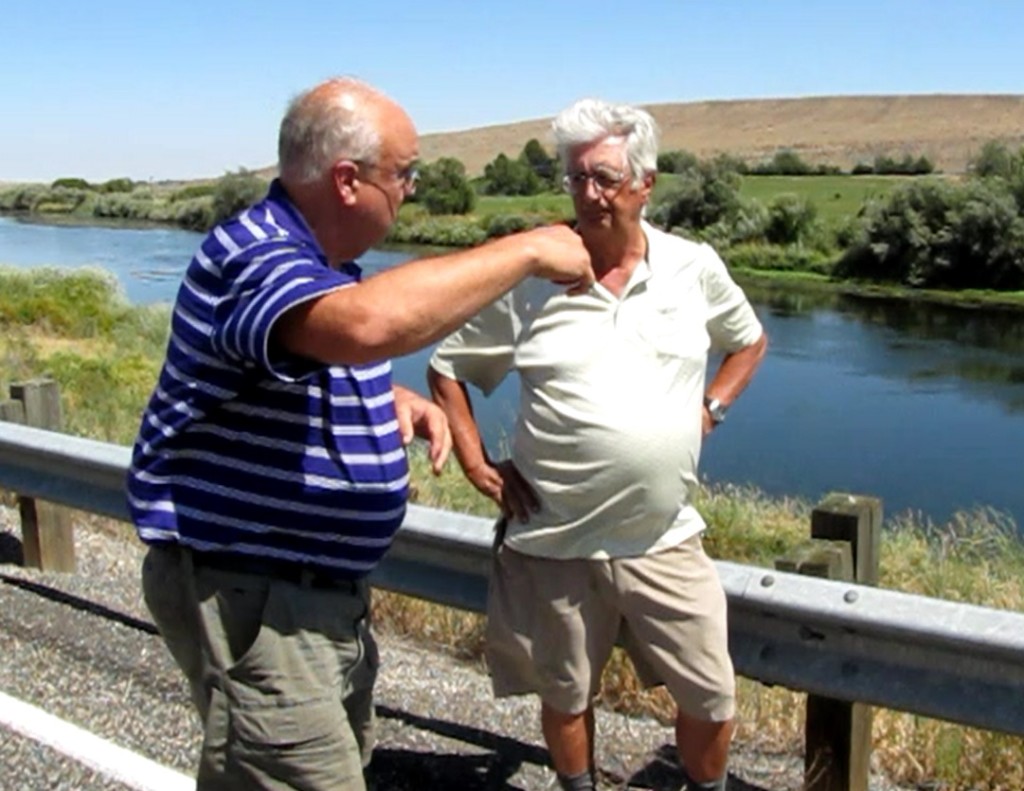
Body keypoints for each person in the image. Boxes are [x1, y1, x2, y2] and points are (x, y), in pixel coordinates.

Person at [126, 76, 594, 791]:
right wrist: (527, 250)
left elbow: (319, 350)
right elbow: (362, 326)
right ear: (347, 180)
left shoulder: (319, 266)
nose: (411, 188)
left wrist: (389, 398)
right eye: (403, 172)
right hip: (259, 596)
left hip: (309, 598)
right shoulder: (252, 252)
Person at [427, 98, 767, 791]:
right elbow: (447, 366)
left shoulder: (691, 267)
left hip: (664, 536)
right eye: (576, 178)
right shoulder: (532, 278)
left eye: (605, 178)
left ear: (646, 182)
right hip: (553, 539)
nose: (588, 193)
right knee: (566, 693)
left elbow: (750, 339)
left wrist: (711, 408)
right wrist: (474, 461)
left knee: (711, 695)